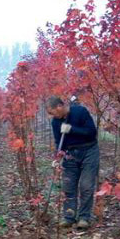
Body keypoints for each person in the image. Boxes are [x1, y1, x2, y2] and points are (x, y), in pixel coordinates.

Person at [46, 96, 99, 230]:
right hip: (70, 154)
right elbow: (60, 142)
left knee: (86, 185)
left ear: (59, 107)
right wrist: (57, 157)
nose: (51, 116)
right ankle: (69, 217)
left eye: (52, 112)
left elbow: (92, 132)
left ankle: (84, 218)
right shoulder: (55, 122)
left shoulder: (80, 112)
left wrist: (71, 129)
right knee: (68, 186)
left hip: (89, 151)